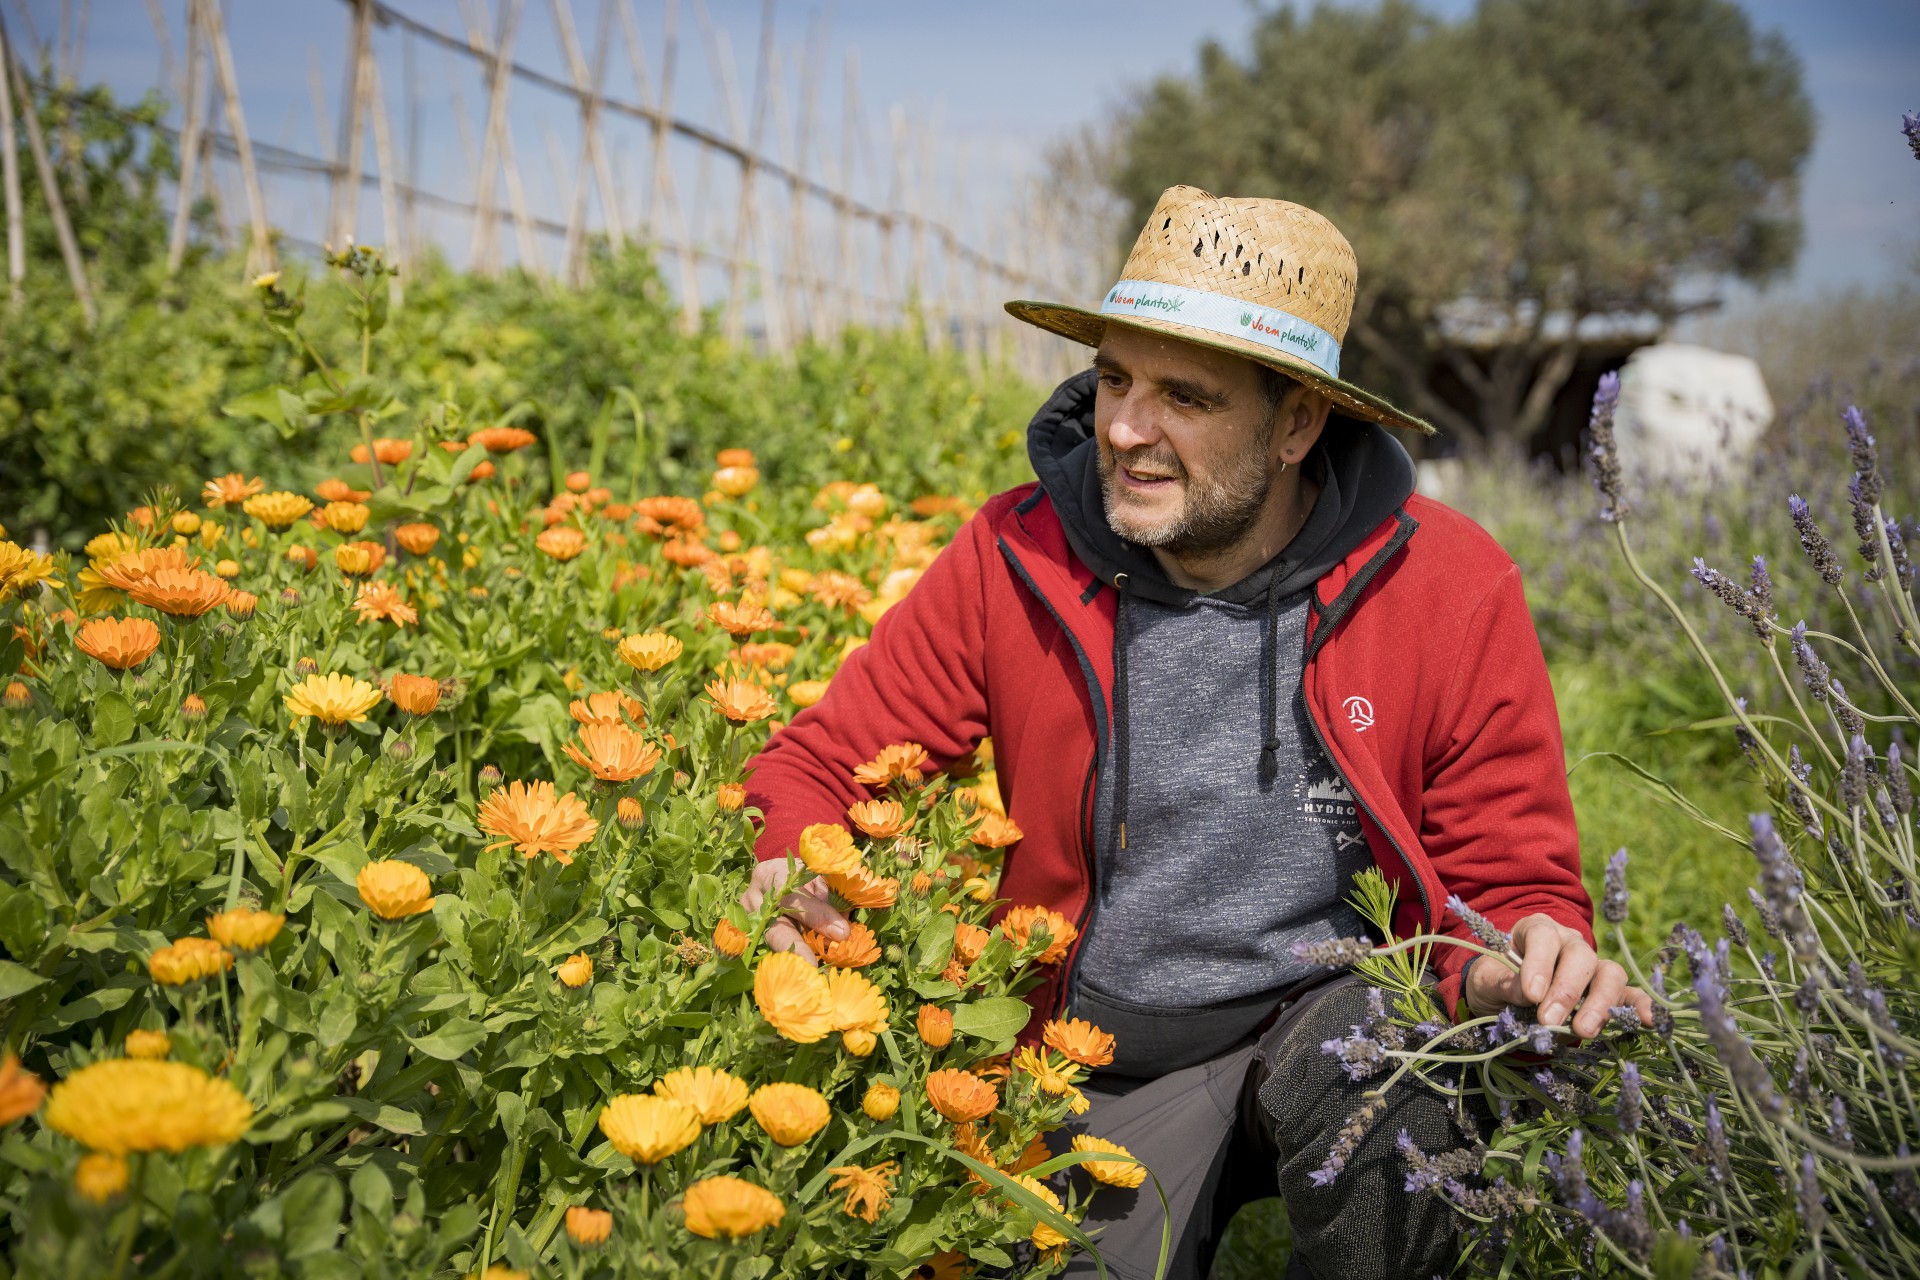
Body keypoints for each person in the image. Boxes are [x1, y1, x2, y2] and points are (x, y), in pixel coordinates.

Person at [742, 186, 1652, 1279]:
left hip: (1334, 1020)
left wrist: (1521, 954)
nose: (1125, 426)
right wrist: (790, 854)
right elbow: (814, 762)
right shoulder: (1016, 553)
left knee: (1397, 1076)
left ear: (1298, 423)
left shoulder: (1445, 583)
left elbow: (1509, 876)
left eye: (1185, 394)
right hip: (1097, 1058)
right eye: (1116, 377)